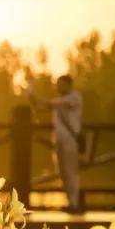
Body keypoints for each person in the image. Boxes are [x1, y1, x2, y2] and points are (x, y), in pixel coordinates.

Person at [30, 75, 83, 213]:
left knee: (71, 171)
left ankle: (74, 203)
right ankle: (70, 202)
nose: (58, 87)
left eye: (60, 84)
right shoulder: (60, 101)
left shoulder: (75, 97)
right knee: (63, 172)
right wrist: (32, 97)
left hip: (70, 140)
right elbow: (42, 106)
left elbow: (49, 104)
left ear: (68, 84)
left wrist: (35, 97)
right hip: (59, 141)